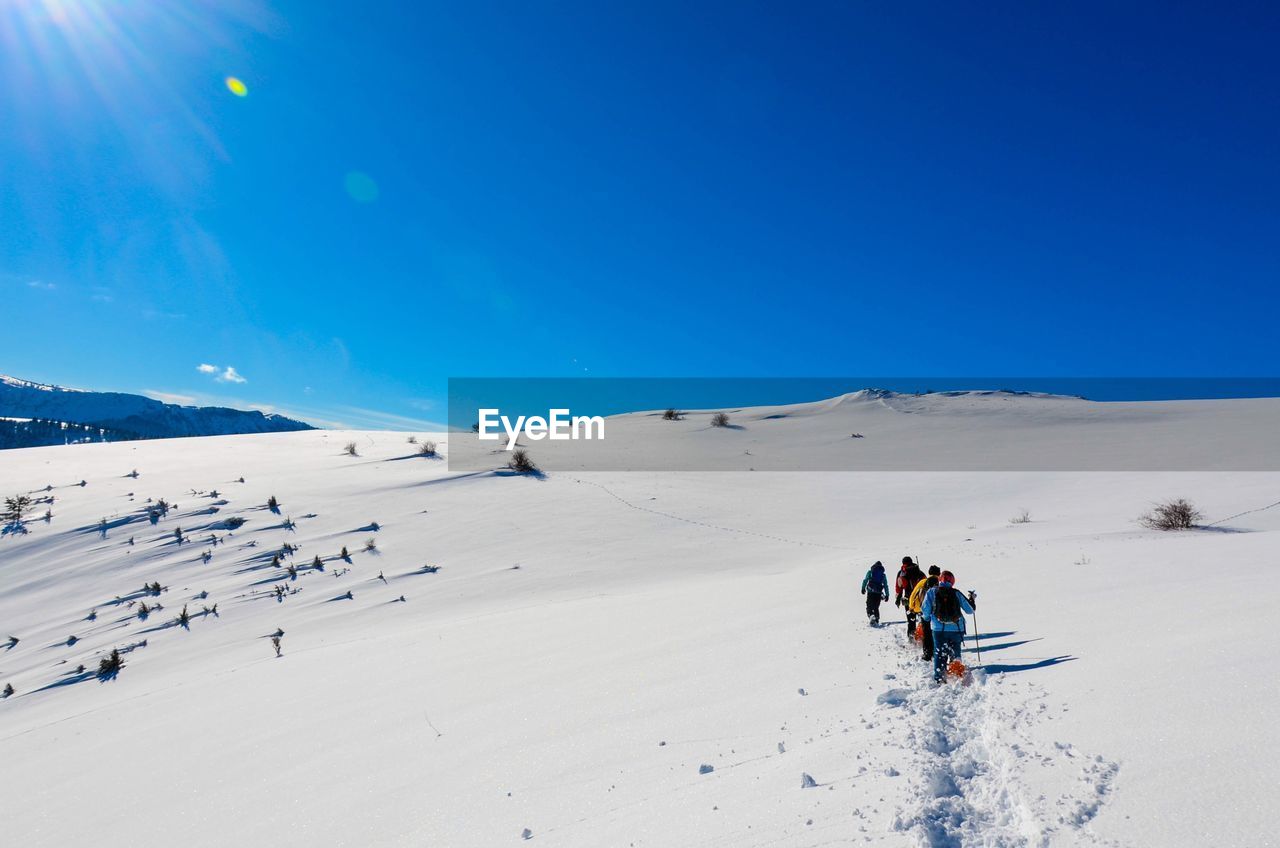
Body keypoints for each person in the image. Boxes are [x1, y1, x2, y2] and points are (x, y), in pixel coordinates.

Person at [921, 570, 975, 683]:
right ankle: (956, 675)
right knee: (955, 651)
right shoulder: (956, 593)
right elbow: (970, 610)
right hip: (956, 628)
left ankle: (939, 677)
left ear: (940, 579)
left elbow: (925, 609)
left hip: (938, 629)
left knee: (939, 652)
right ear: (952, 581)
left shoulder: (932, 592)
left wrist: (927, 618)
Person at [909, 566, 940, 661]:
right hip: (938, 612)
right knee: (937, 632)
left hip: (924, 610)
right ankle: (937, 652)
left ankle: (927, 653)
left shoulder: (923, 582)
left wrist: (911, 607)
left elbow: (913, 595)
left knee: (926, 632)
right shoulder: (941, 582)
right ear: (939, 573)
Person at [894, 556, 925, 638]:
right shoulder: (919, 571)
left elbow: (898, 587)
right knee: (922, 619)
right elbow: (925, 584)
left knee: (911, 620)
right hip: (920, 600)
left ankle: (911, 638)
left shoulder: (901, 573)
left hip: (908, 600)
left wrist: (898, 598)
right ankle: (923, 637)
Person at [860, 561, 889, 626]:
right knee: (876, 607)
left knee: (869, 605)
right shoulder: (883, 575)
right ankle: (877, 619)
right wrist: (887, 595)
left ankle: (871, 615)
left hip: (870, 592)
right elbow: (885, 585)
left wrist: (863, 588)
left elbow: (865, 580)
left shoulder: (870, 572)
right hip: (878, 593)